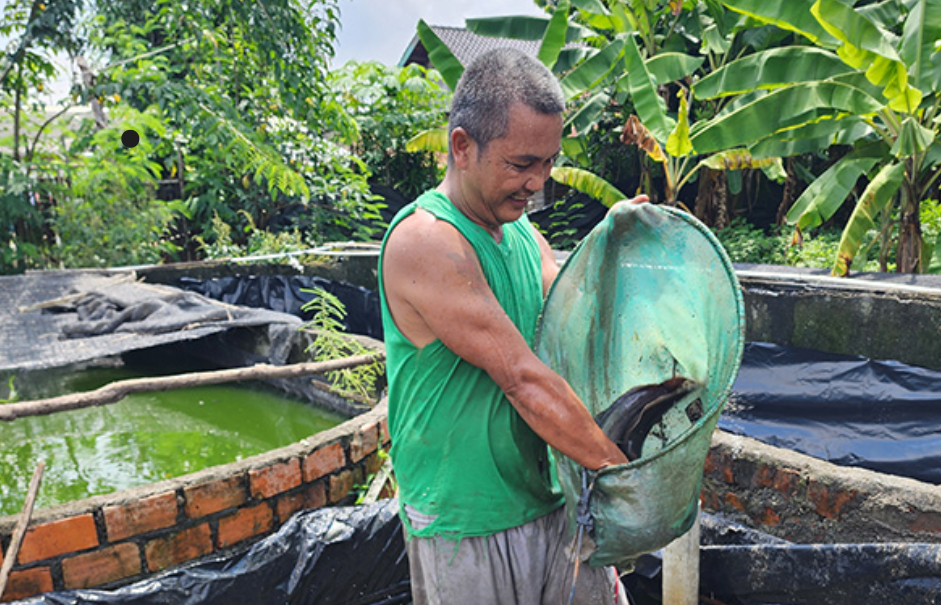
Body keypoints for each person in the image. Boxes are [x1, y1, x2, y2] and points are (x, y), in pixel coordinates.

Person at [378, 47, 648, 604]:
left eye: (548, 163)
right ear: (462, 147)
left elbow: (571, 315)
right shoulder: (426, 241)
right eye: (522, 164)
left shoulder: (524, 234)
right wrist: (624, 476)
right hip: (466, 519)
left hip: (548, 494)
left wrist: (609, 246)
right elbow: (523, 380)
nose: (537, 182)